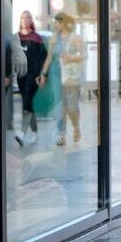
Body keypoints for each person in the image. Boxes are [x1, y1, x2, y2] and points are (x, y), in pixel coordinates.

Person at [41, 12, 85, 145]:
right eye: (55, 22)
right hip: (55, 72)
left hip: (71, 73)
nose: (55, 25)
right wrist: (43, 74)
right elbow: (49, 57)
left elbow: (83, 55)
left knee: (71, 106)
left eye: (57, 22)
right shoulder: (53, 38)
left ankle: (76, 127)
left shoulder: (75, 37)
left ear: (64, 23)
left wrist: (71, 58)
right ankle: (62, 135)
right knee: (59, 105)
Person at [15, 11, 48, 146]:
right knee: (29, 104)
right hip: (21, 76)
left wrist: (42, 75)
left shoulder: (37, 38)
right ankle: (35, 134)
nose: (25, 20)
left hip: (33, 76)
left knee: (27, 104)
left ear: (31, 20)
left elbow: (44, 57)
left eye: (28, 17)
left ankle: (22, 134)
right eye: (23, 17)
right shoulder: (16, 37)